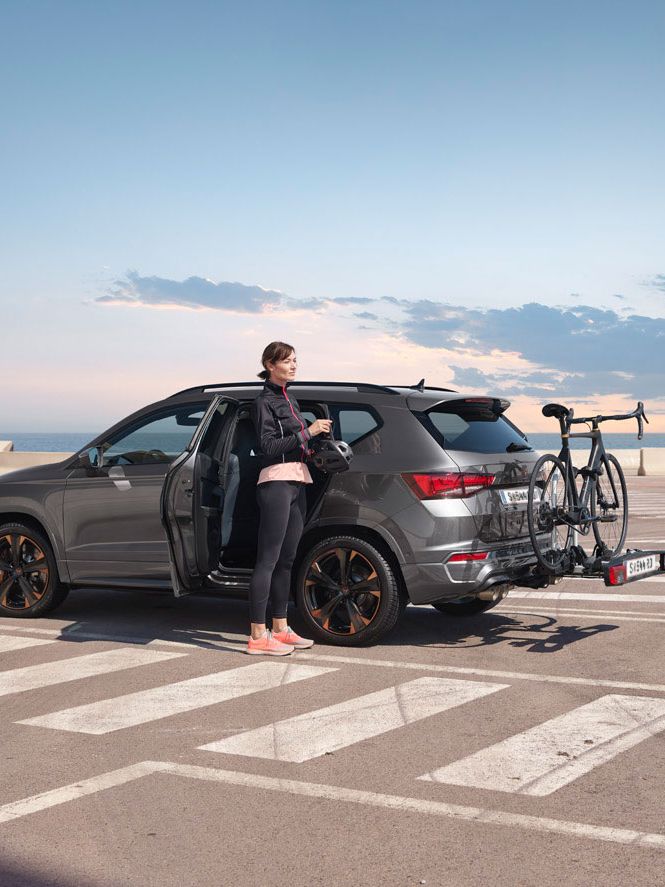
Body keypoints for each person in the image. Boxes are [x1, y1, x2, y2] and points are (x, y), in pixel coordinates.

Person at [245, 341, 332, 655]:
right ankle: (257, 636)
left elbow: (297, 443)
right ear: (270, 365)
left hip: (297, 481)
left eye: (295, 360)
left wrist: (317, 444)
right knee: (268, 560)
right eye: (287, 361)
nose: (294, 365)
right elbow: (268, 446)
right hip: (276, 483)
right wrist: (308, 432)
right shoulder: (262, 402)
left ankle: (280, 629)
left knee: (287, 560)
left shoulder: (290, 398)